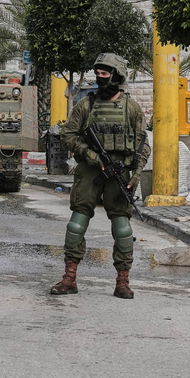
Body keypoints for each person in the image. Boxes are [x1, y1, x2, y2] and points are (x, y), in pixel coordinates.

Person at [51, 53, 150, 299]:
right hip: (90, 171)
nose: (99, 77)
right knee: (76, 224)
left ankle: (122, 282)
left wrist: (136, 174)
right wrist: (90, 155)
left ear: (117, 76)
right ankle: (69, 278)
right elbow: (68, 135)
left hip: (120, 173)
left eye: (105, 74)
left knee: (123, 228)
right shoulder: (85, 105)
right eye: (98, 73)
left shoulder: (132, 108)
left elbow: (142, 146)